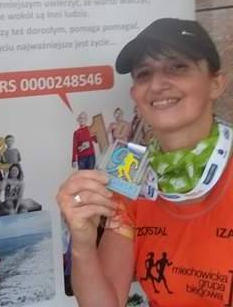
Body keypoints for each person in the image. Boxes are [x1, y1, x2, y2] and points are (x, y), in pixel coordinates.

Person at [57, 18, 231, 306]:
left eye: (178, 67)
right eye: (143, 73)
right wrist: (82, 245)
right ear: (134, 95)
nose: (157, 85)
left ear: (216, 84)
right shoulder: (130, 176)